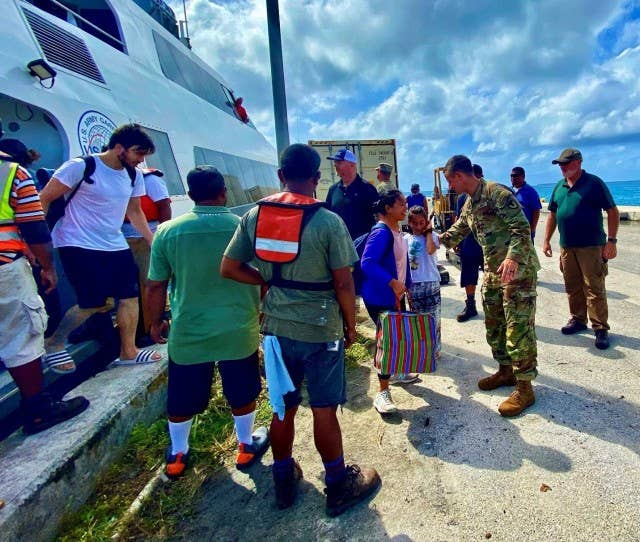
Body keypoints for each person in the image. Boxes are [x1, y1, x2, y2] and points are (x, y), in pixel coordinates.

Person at [221, 143, 380, 516]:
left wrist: (266, 284)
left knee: (281, 408)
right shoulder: (327, 221)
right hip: (322, 330)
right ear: (316, 178)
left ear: (280, 176)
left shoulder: (255, 216)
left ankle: (283, 481)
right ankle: (338, 485)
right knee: (324, 409)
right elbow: (344, 283)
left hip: (275, 330)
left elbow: (228, 267)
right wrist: (350, 325)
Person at [146, 165, 267, 479]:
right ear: (223, 193)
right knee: (242, 390)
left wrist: (155, 321)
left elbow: (156, 284)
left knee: (183, 393)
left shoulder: (168, 231)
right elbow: (266, 274)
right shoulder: (244, 227)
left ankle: (178, 453)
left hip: (189, 329)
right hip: (238, 326)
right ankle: (244, 445)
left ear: (189, 195)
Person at [39, 123, 163, 372]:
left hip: (113, 243)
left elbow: (135, 211)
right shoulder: (82, 166)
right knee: (94, 302)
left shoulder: (134, 175)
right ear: (119, 148)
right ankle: (54, 343)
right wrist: (38, 244)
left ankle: (128, 351)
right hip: (77, 241)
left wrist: (152, 241)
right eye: (138, 153)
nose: (140, 160)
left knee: (129, 297)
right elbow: (45, 198)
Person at [0, 141, 89, 434]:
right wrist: (47, 267)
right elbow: (35, 227)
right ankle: (38, 410)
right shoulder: (11, 172)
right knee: (21, 337)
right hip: (6, 270)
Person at [439, 155, 539, 417]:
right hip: (494, 273)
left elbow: (522, 229)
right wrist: (435, 240)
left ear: (459, 176)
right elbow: (460, 228)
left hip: (517, 272)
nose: (450, 186)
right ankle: (506, 372)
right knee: (494, 324)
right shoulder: (470, 202)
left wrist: (512, 257)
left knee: (518, 329)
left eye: (450, 180)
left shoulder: (498, 194)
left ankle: (525, 388)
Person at [542, 148, 619, 350]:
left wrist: (611, 241)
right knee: (572, 286)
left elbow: (612, 211)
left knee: (594, 287)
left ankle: (600, 328)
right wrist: (547, 240)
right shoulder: (559, 186)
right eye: (560, 164)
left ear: (579, 162)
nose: (562, 167)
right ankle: (578, 319)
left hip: (592, 247)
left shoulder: (594, 183)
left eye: (566, 163)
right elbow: (552, 214)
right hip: (567, 247)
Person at [360, 189, 414, 414]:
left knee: (396, 337)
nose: (405, 207)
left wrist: (407, 287)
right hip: (379, 297)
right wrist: (392, 283)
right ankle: (382, 394)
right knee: (388, 342)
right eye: (401, 204)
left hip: (394, 296)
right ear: (387, 208)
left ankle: (397, 373)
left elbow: (403, 263)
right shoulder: (381, 233)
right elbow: (367, 263)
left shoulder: (396, 230)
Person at [122, 168, 172, 340]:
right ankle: (139, 329)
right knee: (130, 287)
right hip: (121, 239)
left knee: (151, 282)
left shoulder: (150, 180)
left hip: (147, 238)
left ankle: (157, 325)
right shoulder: (115, 178)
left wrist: (162, 237)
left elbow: (164, 205)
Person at [405, 205, 441, 357]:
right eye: (415, 223)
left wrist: (429, 232)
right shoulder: (405, 239)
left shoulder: (432, 237)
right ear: (409, 223)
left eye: (422, 222)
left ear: (426, 222)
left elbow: (431, 250)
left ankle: (435, 350)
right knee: (418, 319)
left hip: (431, 283)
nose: (418, 226)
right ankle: (422, 350)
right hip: (414, 285)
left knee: (434, 319)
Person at [453, 164, 485, 322]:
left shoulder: (493, 194)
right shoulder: (462, 198)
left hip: (490, 246)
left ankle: (500, 309)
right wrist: (456, 239)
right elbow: (458, 219)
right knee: (468, 276)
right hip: (469, 243)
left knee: (496, 278)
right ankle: (471, 306)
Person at [325, 148, 379, 239]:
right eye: (335, 163)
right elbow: (327, 218)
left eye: (339, 162)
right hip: (338, 246)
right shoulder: (333, 190)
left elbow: (378, 218)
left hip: (361, 247)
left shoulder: (368, 189)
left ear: (352, 165)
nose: (335, 165)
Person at [510, 166, 542, 240]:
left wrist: (532, 229)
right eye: (511, 176)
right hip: (511, 232)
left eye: (515, 175)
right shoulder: (509, 191)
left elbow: (536, 211)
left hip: (526, 232)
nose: (513, 178)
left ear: (523, 176)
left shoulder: (531, 192)